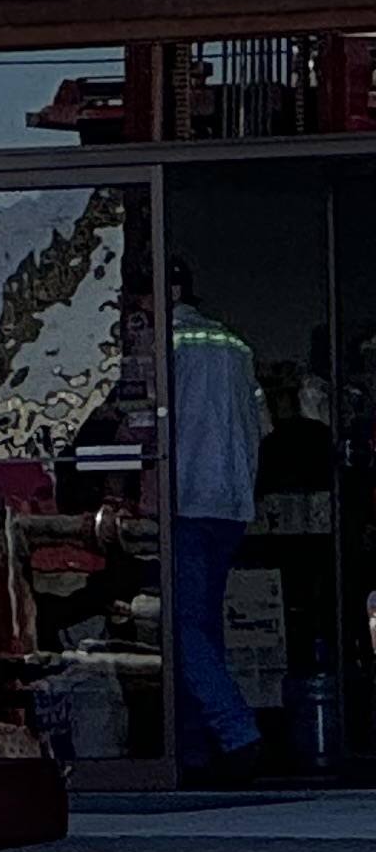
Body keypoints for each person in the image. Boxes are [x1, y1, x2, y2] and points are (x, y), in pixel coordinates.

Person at [167, 263, 266, 783]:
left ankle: (235, 733)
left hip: (184, 498)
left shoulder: (168, 342)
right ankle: (196, 752)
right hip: (230, 501)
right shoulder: (235, 345)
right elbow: (261, 424)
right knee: (202, 629)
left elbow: (140, 419)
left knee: (182, 627)